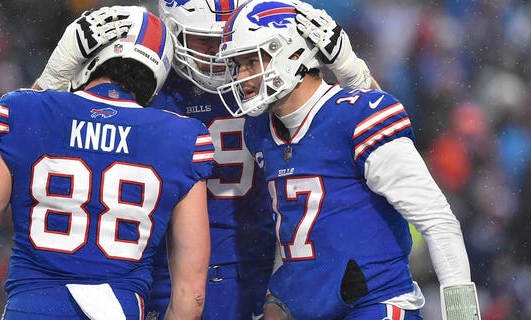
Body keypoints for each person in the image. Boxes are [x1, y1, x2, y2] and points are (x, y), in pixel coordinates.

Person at [31, 1, 379, 319]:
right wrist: (61, 69)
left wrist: (348, 68)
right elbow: (40, 140)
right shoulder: (142, 79)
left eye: (225, 38)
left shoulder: (267, 75)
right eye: (203, 41)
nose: (217, 53)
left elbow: (373, 133)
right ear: (173, 28)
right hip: (160, 271)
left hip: (256, 270)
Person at [0, 6, 214, 320]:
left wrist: (52, 75)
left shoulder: (25, 114)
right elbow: (192, 294)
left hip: (31, 309)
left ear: (83, 53)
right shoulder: (182, 138)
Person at [216, 0, 481, 319]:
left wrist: (463, 314)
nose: (242, 77)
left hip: (373, 305)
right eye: (238, 65)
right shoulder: (259, 130)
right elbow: (293, 227)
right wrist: (279, 296)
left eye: (251, 62)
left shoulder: (356, 116)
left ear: (294, 53)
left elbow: (437, 219)